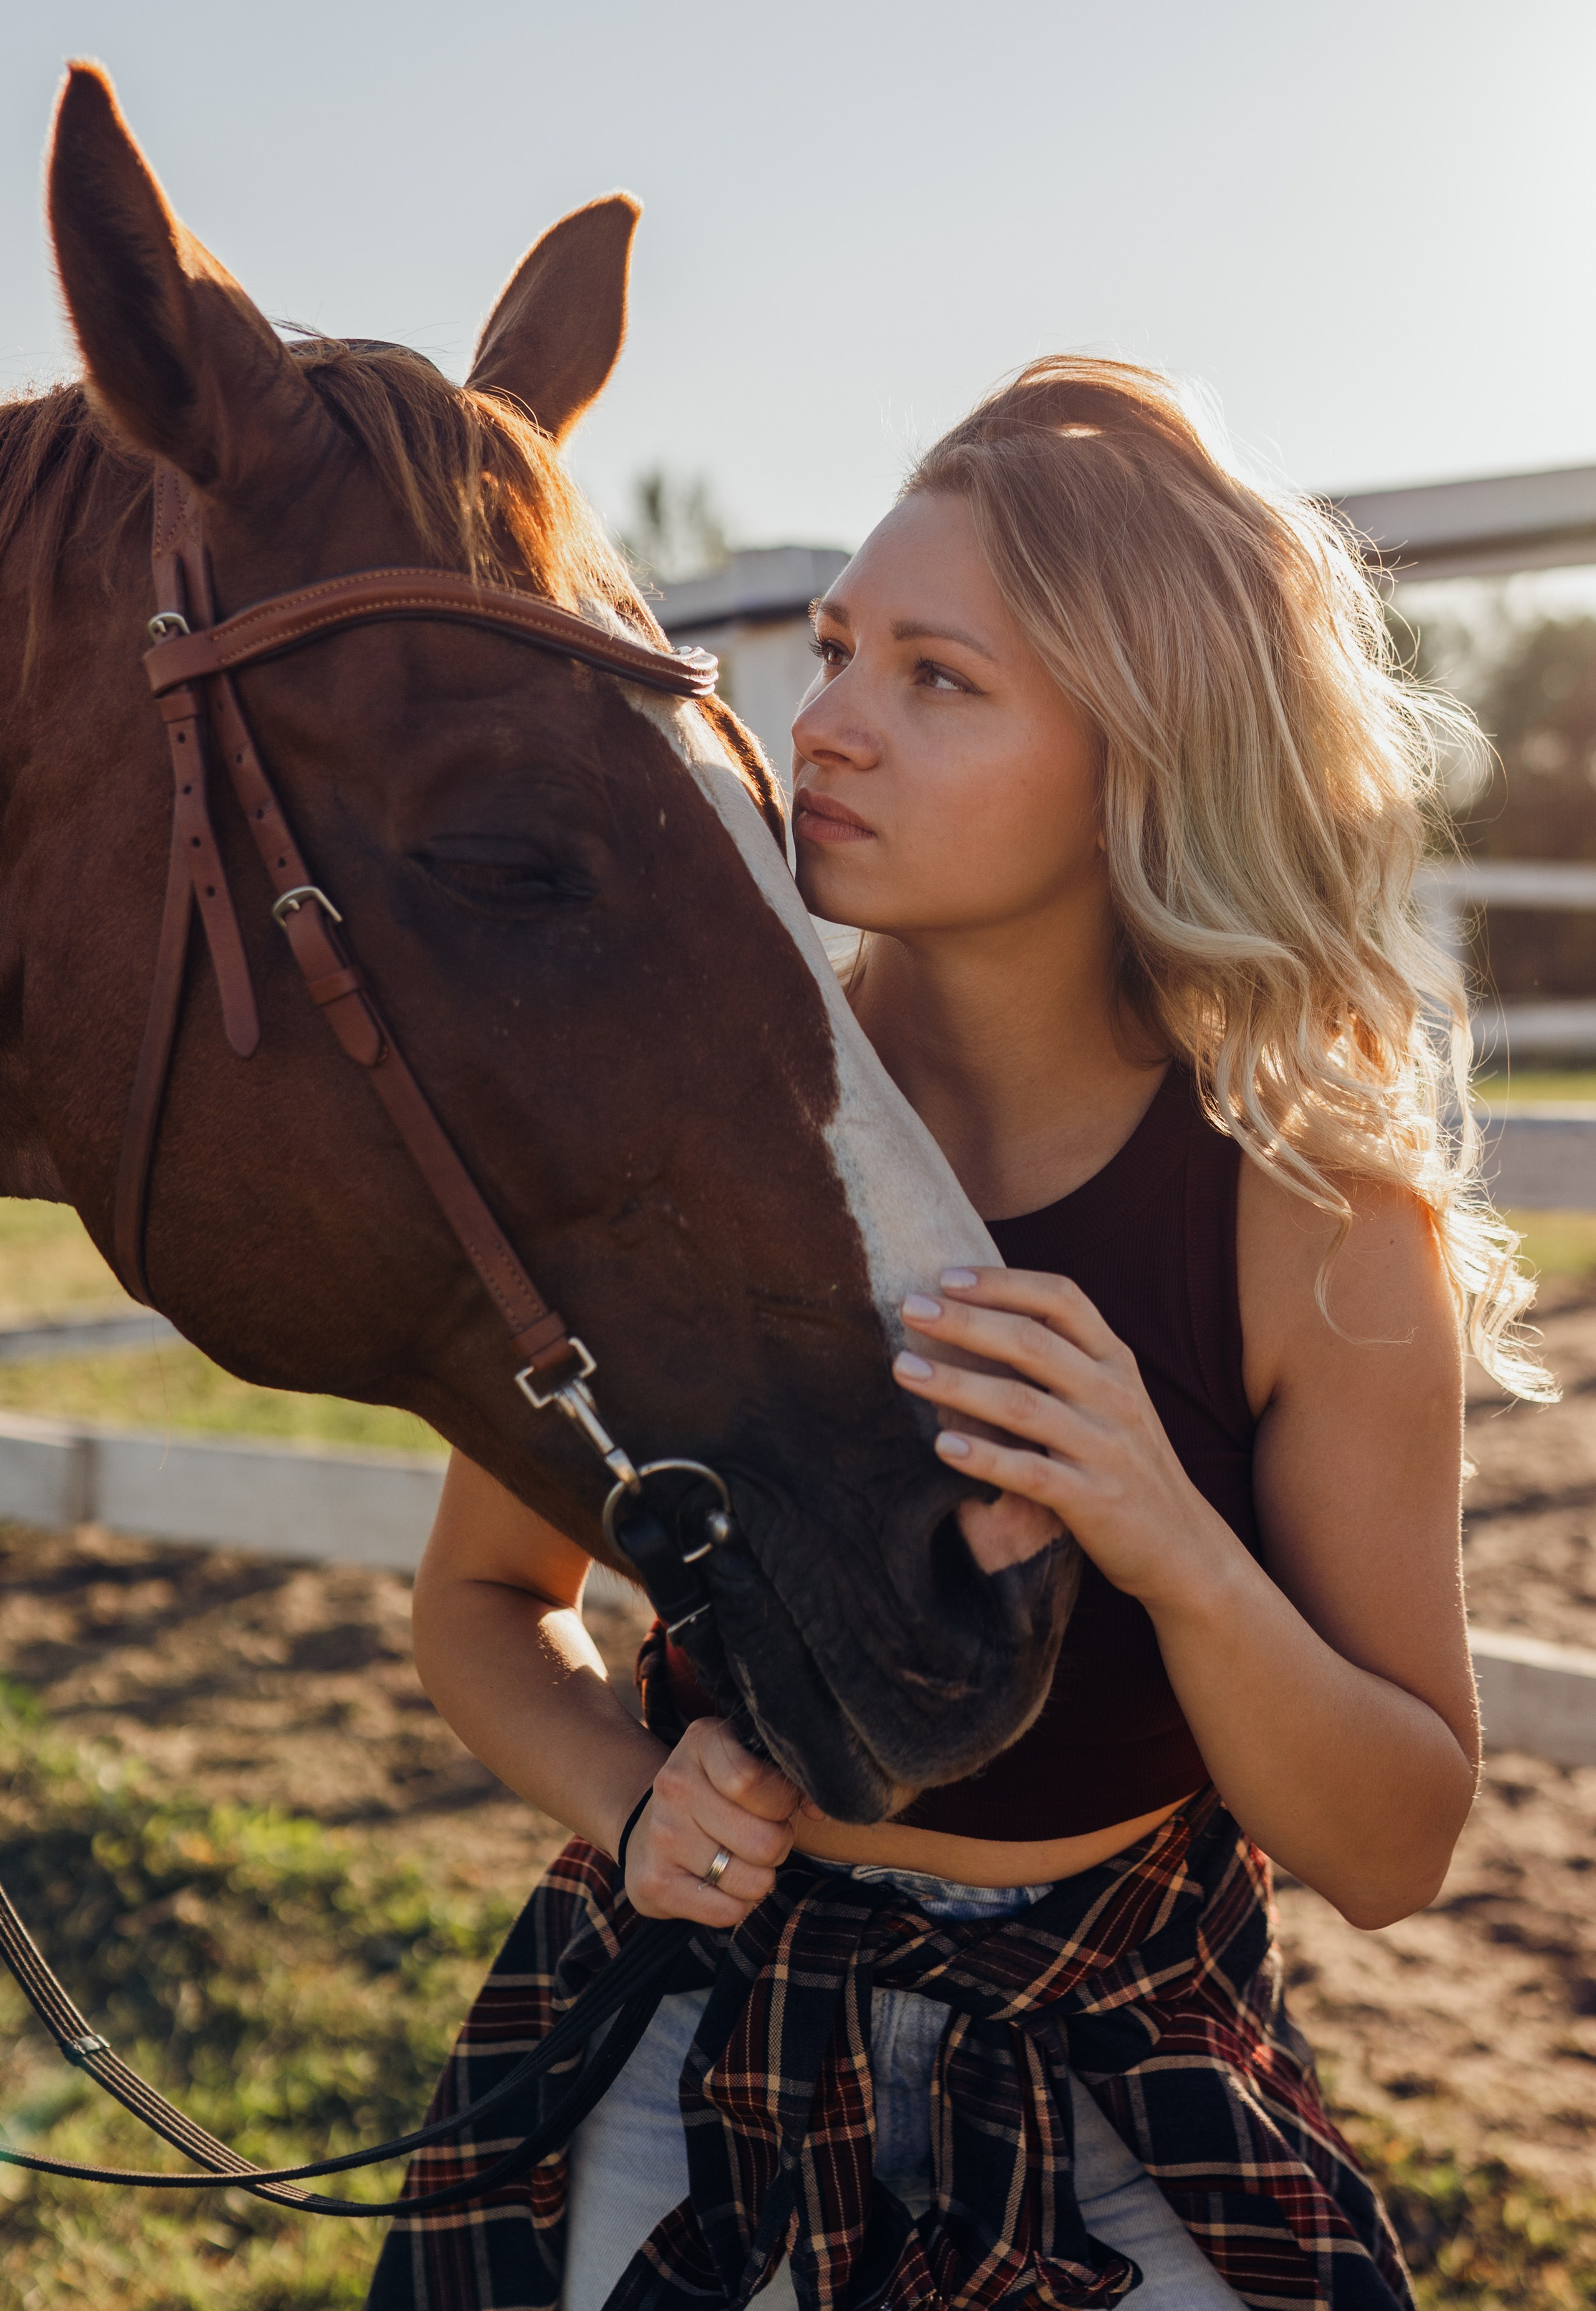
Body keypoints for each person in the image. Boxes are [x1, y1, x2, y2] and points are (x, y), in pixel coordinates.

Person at [367, 359, 1542, 2311]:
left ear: (1138, 754)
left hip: (1128, 2075)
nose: (821, 727)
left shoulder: (1317, 1225)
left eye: (939, 678)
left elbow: (1400, 1842)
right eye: (836, 649)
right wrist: (629, 1797)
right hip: (690, 2026)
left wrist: (1174, 1543)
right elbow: (482, 1605)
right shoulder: (666, 1124)